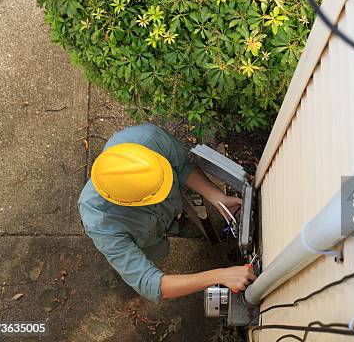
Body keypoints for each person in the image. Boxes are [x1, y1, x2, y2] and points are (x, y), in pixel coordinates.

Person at [77, 123, 256, 303]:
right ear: (128, 201)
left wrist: (218, 199)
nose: (166, 187)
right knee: (143, 257)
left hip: (171, 214)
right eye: (155, 194)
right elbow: (150, 283)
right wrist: (220, 276)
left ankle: (177, 223)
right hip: (150, 242)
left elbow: (183, 167)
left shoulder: (148, 137)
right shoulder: (101, 222)